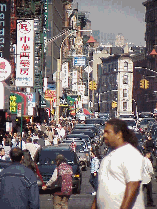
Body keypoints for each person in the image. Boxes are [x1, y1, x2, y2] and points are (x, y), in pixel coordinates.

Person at [92, 118, 145, 209]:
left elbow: (133, 185)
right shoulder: (107, 158)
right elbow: (101, 188)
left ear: (119, 134)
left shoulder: (130, 154)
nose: (104, 135)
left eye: (107, 132)